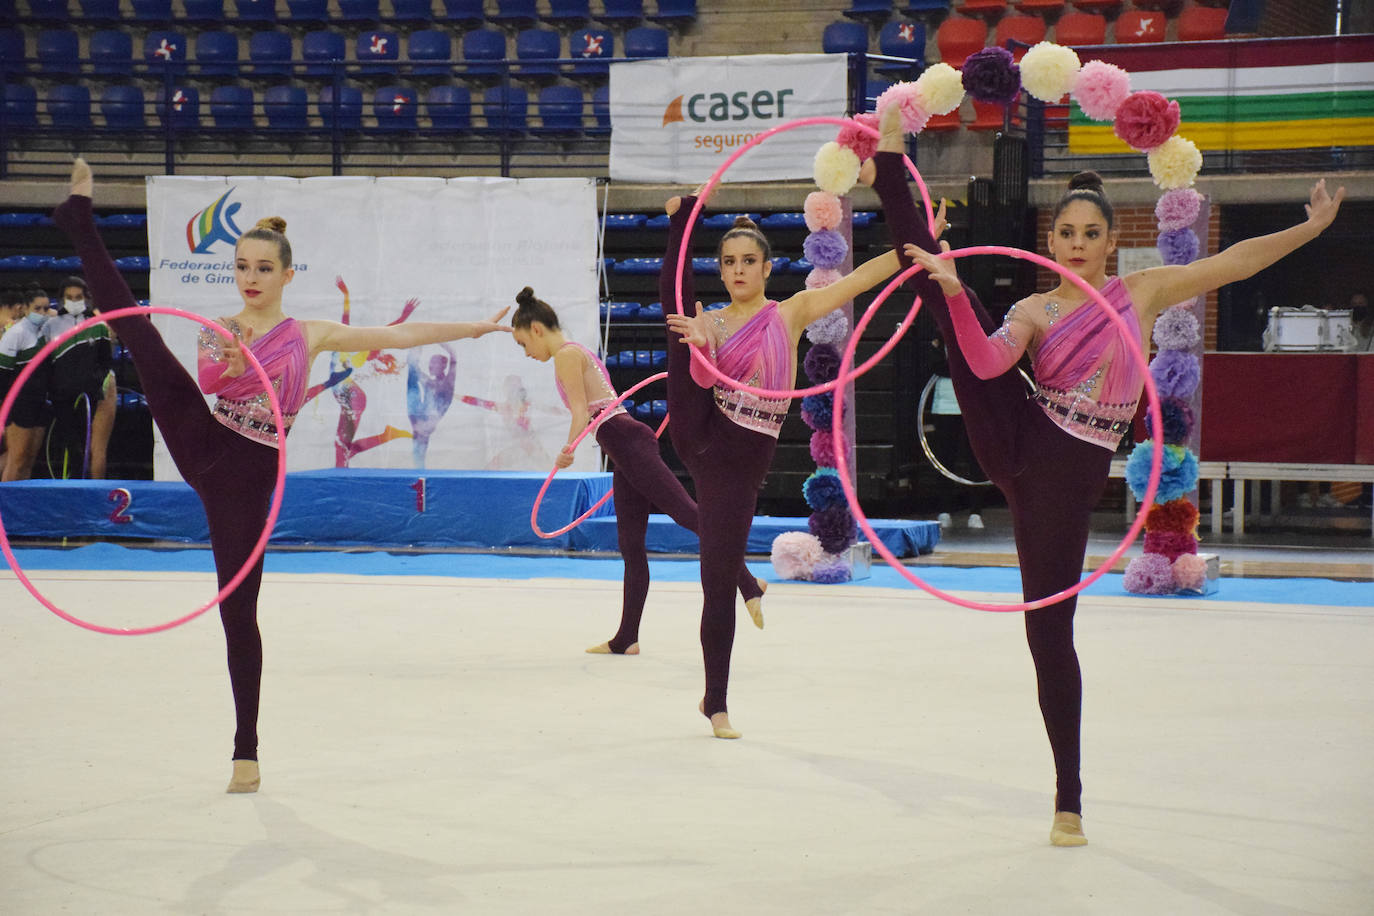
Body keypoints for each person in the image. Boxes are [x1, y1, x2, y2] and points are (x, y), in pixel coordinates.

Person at [863, 104, 1345, 845]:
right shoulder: (1034, 305)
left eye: (1091, 234)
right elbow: (989, 364)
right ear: (1048, 242)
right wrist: (959, 294)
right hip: (1019, 434)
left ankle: (1067, 797)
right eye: (1066, 234)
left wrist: (1311, 231)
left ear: (1113, 241)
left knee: (1050, 630)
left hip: (1067, 471)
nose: (1078, 244)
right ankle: (893, 165)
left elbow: (1234, 262)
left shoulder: (1141, 293)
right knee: (935, 285)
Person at [52, 158, 512, 794]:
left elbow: (401, 334)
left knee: (239, 610)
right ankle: (78, 221)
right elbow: (211, 380)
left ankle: (247, 748)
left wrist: (477, 327)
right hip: (204, 437)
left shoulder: (310, 331)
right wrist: (232, 360)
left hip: (251, 471)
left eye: (263, 268)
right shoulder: (222, 329)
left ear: (288, 275)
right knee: (136, 331)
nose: (249, 278)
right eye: (241, 266)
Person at [660, 185, 902, 739]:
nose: (738, 270)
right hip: (706, 438)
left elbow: (859, 280)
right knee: (714, 581)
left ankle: (722, 663)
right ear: (720, 272)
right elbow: (703, 381)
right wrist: (698, 345)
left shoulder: (789, 313)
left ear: (768, 268)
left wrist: (914, 244)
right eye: (728, 263)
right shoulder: (714, 321)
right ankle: (716, 702)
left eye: (748, 261)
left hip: (750, 458)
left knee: (720, 564)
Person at [509, 286, 767, 656]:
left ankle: (747, 583)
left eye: (522, 344)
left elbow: (584, 415)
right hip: (621, 445)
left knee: (688, 513)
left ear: (536, 329)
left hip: (626, 440)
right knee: (631, 545)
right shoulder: (575, 352)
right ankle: (627, 637)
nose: (527, 353)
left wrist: (566, 452)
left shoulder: (565, 355)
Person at [40, 276, 117, 478]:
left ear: (86, 298)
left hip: (89, 395)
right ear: (62, 299)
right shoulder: (50, 326)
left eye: (78, 297)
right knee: (71, 446)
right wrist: (52, 388)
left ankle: (90, 491)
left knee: (90, 446)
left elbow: (106, 361)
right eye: (69, 297)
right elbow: (45, 363)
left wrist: (95, 382)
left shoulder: (97, 325)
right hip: (61, 396)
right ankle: (72, 490)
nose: (74, 301)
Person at [0, 285, 57, 481]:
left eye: (45, 308)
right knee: (16, 458)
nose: (42, 313)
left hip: (39, 401)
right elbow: (3, 374)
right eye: (37, 309)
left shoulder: (45, 330)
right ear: (24, 308)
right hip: (19, 404)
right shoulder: (15, 334)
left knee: (29, 458)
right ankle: (4, 508)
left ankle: (20, 506)